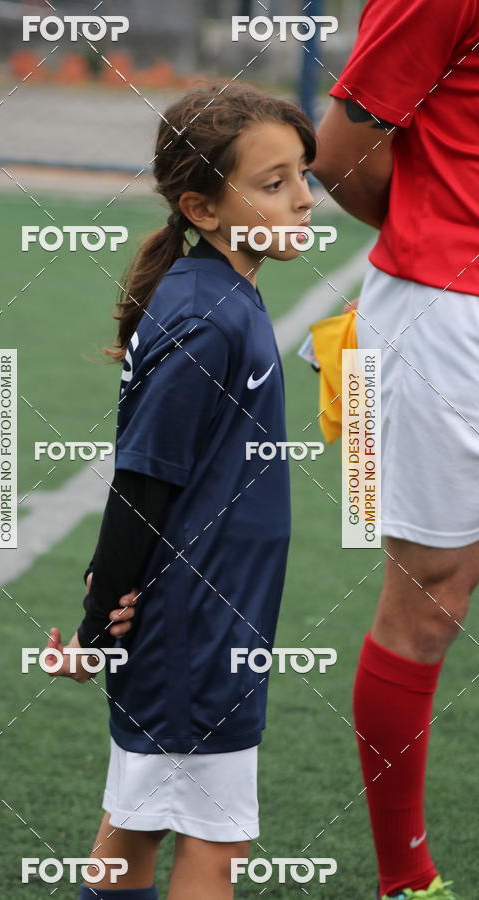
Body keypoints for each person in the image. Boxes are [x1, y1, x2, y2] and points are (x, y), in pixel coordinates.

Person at [43, 80, 316, 899]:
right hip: (197, 631)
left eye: (303, 173)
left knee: (135, 826)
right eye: (273, 185)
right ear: (201, 208)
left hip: (201, 617)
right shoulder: (208, 319)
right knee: (212, 844)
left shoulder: (226, 294)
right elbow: (141, 482)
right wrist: (100, 620)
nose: (304, 199)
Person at [312, 1, 479, 898]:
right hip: (446, 316)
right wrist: (435, 233)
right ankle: (406, 882)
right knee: (429, 595)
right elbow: (341, 159)